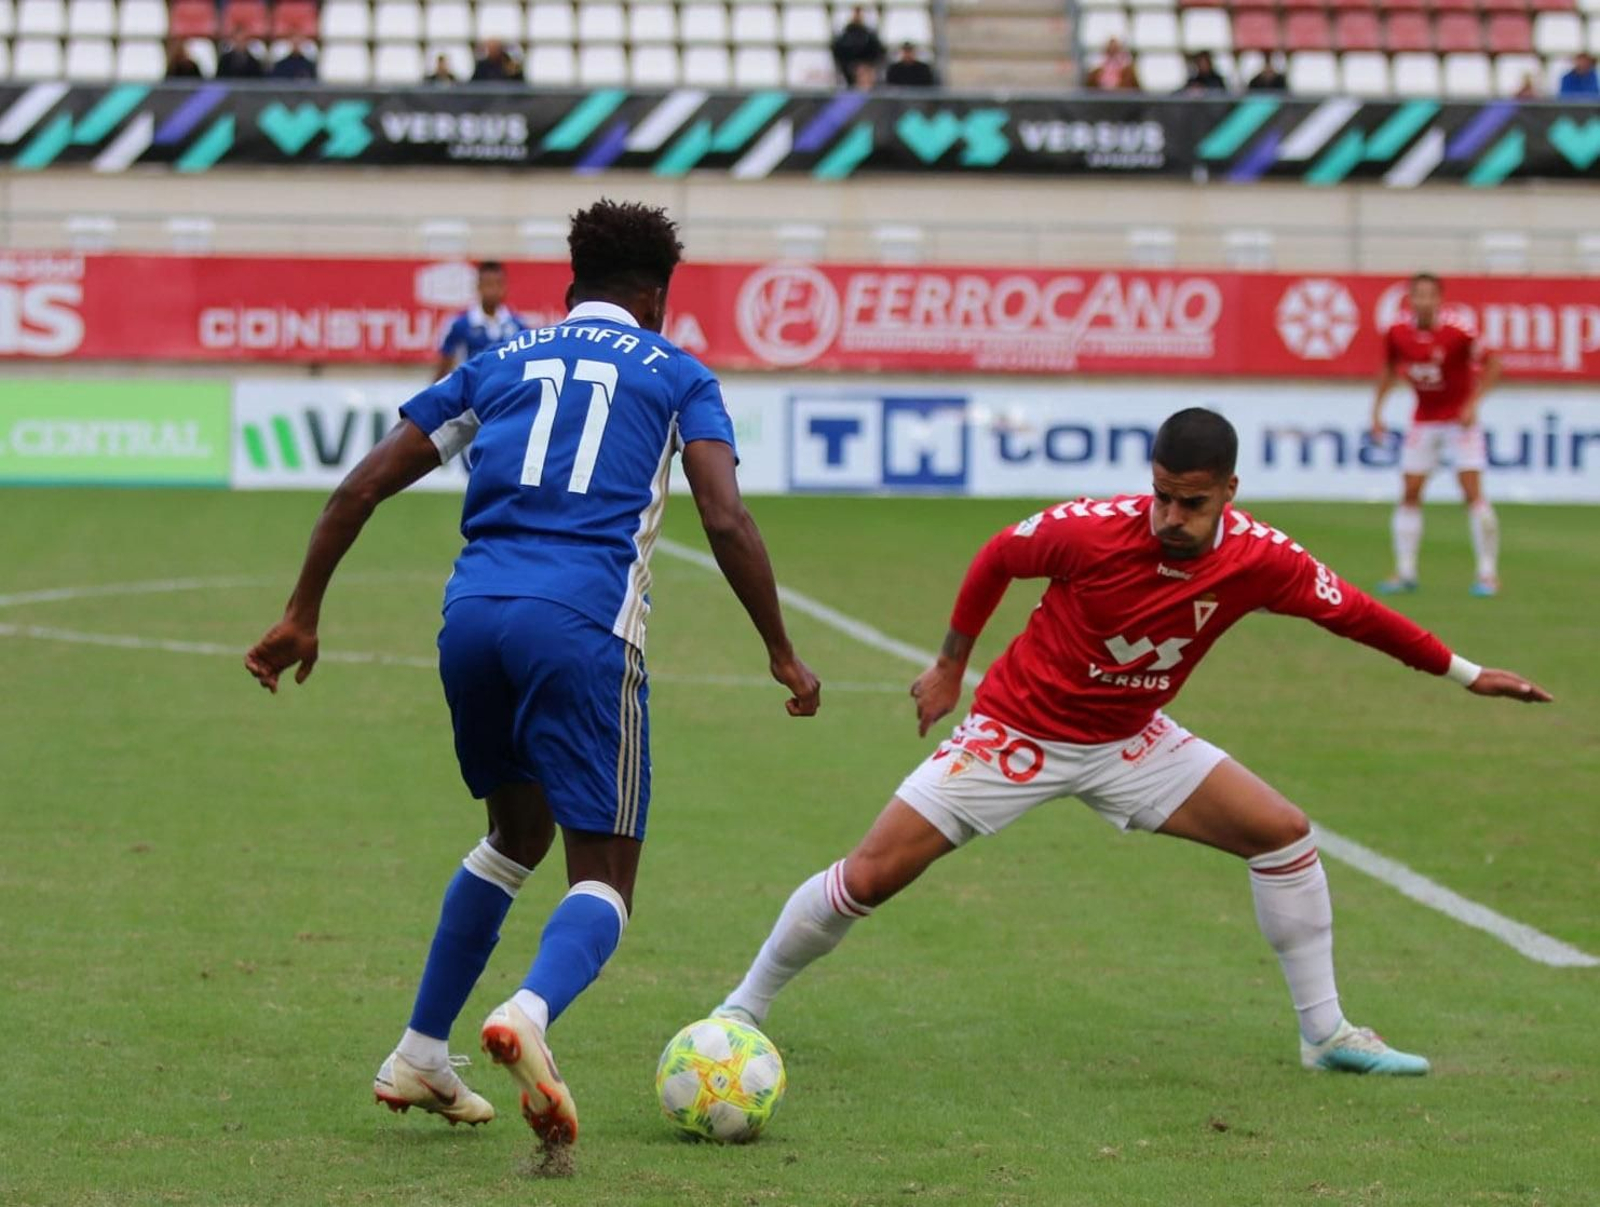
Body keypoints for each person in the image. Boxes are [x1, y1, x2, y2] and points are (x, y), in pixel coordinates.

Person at [712, 408, 1549, 1080]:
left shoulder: (1262, 560)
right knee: (872, 874)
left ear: (1229, 490)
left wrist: (1466, 672)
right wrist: (947, 665)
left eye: (1191, 502)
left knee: (1284, 834)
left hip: (1131, 740)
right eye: (1161, 495)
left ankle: (1325, 1033)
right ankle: (740, 1010)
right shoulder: (1091, 531)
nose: (1171, 516)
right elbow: (999, 556)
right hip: (1019, 733)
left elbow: (1360, 614)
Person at [244, 200, 822, 1150]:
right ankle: (530, 1010)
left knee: (514, 834)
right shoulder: (679, 374)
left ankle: (420, 1052)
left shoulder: (498, 362)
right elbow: (724, 516)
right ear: (657, 295)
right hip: (583, 628)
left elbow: (362, 484)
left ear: (569, 285)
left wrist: (303, 609)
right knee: (604, 878)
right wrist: (780, 649)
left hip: (471, 621)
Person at [1371, 273, 1504, 597]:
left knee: (1471, 491)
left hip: (1459, 422)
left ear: (1439, 300)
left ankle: (1487, 573)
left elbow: (1494, 364)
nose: (1424, 302)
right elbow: (1389, 369)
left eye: (1430, 296)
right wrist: (1377, 410)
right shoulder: (1397, 332)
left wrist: (1473, 404)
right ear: (1411, 299)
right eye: (1418, 295)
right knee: (1410, 491)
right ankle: (1405, 572)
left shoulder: (1459, 332)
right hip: (1424, 420)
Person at [431, 261, 527, 380]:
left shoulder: (518, 325)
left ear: (505, 287)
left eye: (498, 284)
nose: (493, 290)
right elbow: (445, 364)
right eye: (488, 284)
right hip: (472, 393)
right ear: (478, 287)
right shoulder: (461, 324)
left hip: (504, 393)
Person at [832, 5, 885, 86]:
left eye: (859, 13)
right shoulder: (844, 36)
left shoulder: (869, 36)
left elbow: (877, 51)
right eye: (855, 13)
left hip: (866, 67)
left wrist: (866, 65)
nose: (857, 16)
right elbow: (838, 51)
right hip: (849, 69)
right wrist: (851, 66)